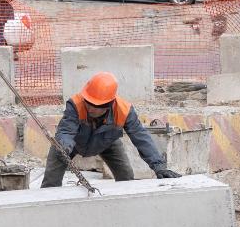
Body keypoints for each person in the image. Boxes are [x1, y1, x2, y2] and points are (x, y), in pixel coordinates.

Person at [41, 71, 181, 188]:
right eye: (88, 102)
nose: (89, 107)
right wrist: (64, 147)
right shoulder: (76, 104)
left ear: (108, 104)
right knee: (50, 182)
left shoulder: (124, 111)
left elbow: (141, 137)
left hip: (107, 142)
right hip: (71, 143)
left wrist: (159, 167)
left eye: (95, 105)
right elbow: (66, 131)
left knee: (126, 176)